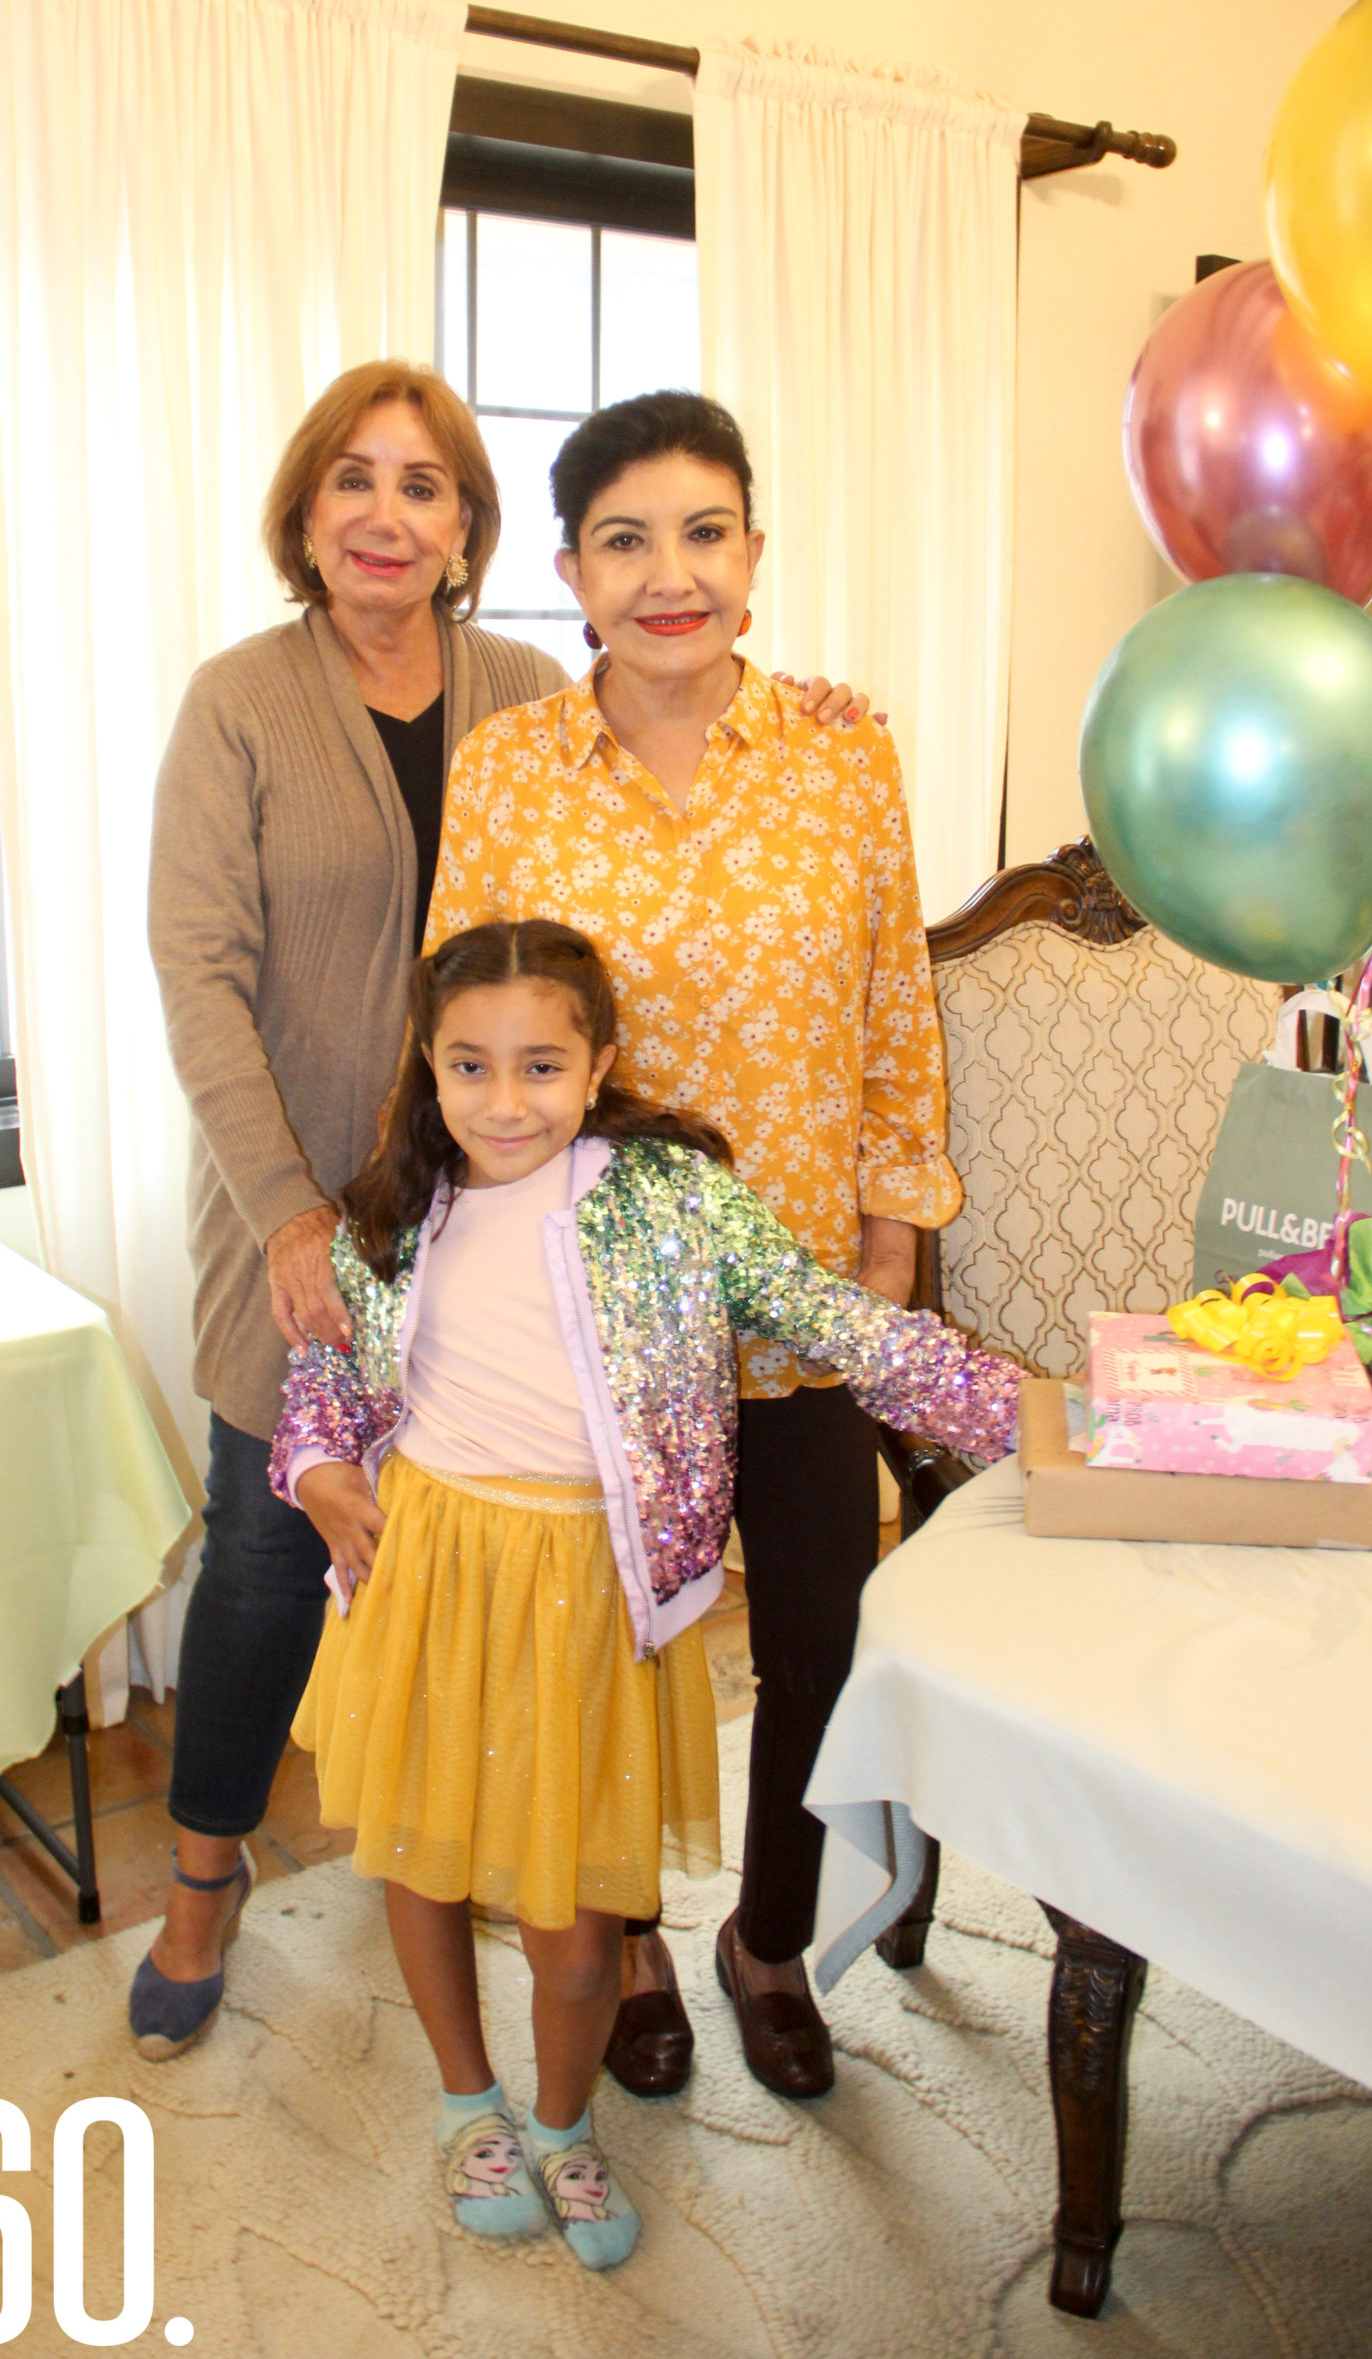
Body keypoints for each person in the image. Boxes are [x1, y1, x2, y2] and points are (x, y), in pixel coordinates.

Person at [136, 362, 875, 2059]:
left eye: (427, 488)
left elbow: (670, 724)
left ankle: (543, 1885)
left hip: (521, 1211)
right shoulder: (239, 703)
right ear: (307, 511)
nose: (389, 518)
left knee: (515, 1555)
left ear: (474, 531)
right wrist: (293, 1211)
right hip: (310, 1206)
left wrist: (804, 710)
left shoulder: (530, 687)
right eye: (355, 483)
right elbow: (198, 975)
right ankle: (201, 1881)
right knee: (268, 1548)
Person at [273, 919, 1020, 2268]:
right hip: (431, 1572)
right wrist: (320, 1470)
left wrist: (1036, 1415)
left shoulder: (667, 1199)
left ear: (600, 1062)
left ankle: (562, 2124)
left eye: (542, 1067)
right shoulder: (390, 1212)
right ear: (428, 1069)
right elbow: (329, 1379)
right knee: (419, 1853)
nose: (506, 1103)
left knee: (576, 1928)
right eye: (471, 1068)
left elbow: (832, 1316)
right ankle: (465, 2099)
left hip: (592, 1592)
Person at [424, 390, 966, 2101]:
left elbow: (897, 999)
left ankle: (767, 1939)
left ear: (755, 550)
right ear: (573, 575)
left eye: (706, 532)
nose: (673, 575)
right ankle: (632, 1945)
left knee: (818, 1629)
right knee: (617, 1652)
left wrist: (891, 1226)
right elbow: (462, 1031)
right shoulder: (511, 767)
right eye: (627, 541)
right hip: (595, 1313)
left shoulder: (842, 743)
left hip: (804, 1284)